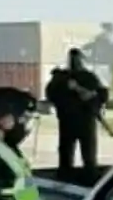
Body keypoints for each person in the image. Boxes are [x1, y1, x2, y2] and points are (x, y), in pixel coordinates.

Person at [46, 48, 108, 183]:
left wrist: (90, 95)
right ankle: (71, 176)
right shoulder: (63, 78)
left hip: (82, 118)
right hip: (71, 119)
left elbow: (102, 94)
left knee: (86, 152)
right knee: (69, 151)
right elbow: (51, 94)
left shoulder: (88, 77)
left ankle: (86, 176)